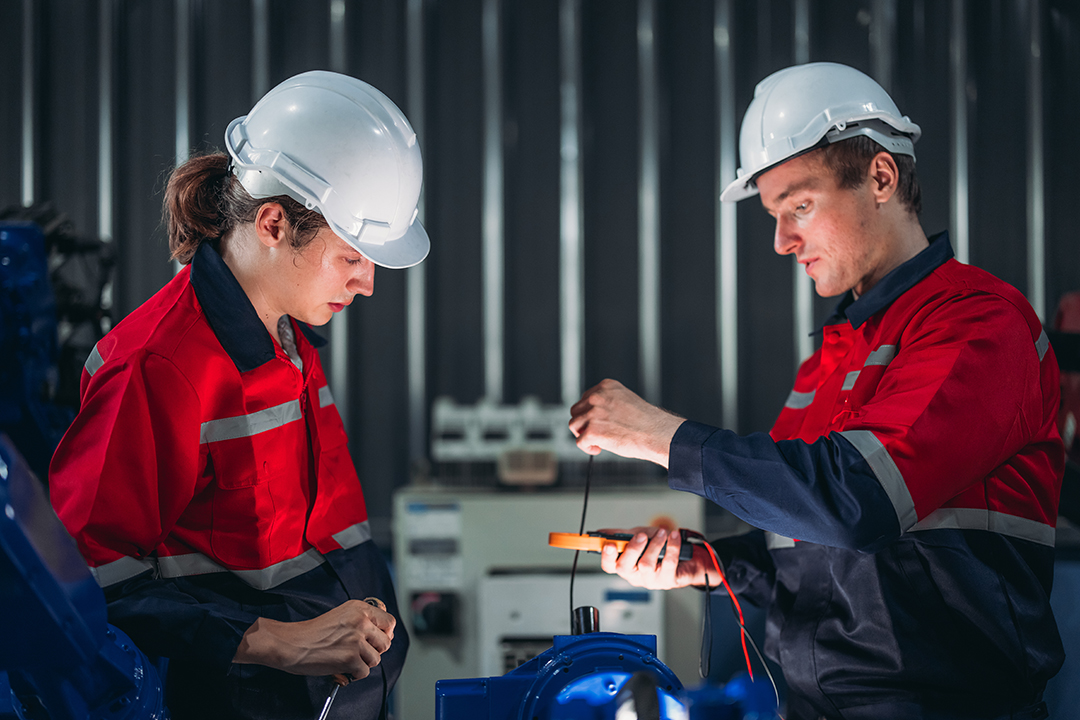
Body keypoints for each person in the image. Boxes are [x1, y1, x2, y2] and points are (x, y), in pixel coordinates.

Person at [569, 62, 1064, 720]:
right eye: (774, 215)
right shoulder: (833, 357)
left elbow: (857, 500)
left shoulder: (978, 325)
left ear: (881, 178)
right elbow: (812, 543)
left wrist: (660, 435)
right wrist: (710, 563)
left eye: (799, 205)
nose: (781, 241)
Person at [48, 71, 427, 720]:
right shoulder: (158, 366)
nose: (366, 283)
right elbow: (79, 579)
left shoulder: (288, 329)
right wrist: (278, 642)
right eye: (352, 257)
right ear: (275, 224)